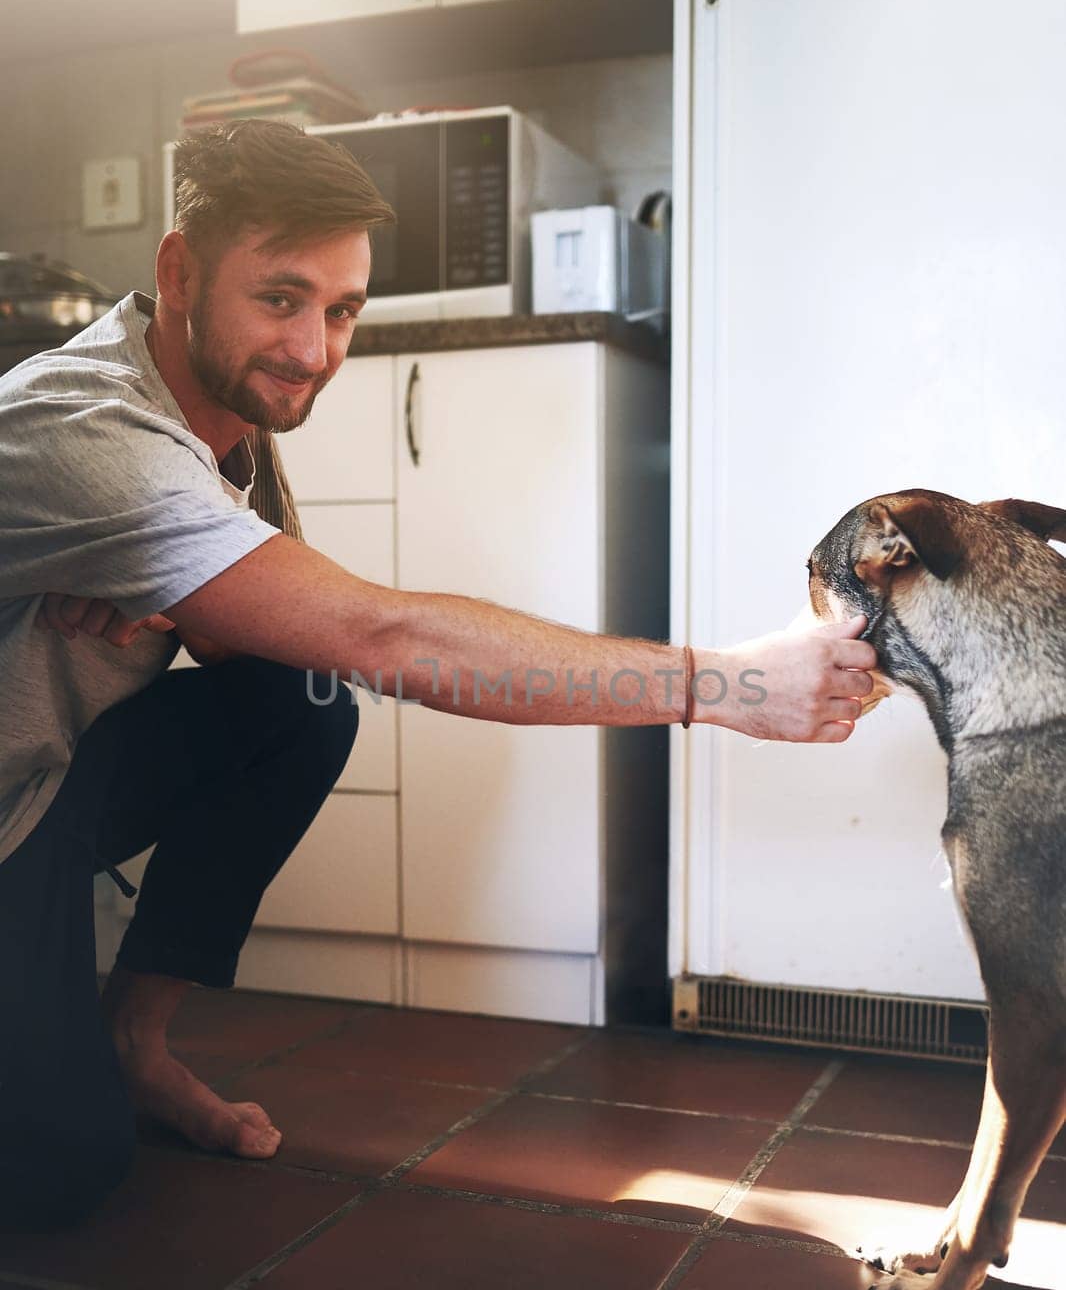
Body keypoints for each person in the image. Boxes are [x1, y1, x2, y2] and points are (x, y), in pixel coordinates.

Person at [0, 120, 876, 1232]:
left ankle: (133, 1041)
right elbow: (384, 639)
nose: (315, 349)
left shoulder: (220, 413)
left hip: (53, 778)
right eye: (280, 299)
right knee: (62, 1171)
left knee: (290, 712)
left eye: (343, 309)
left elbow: (268, 644)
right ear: (178, 272)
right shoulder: (97, 436)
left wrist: (170, 590)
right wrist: (729, 684)